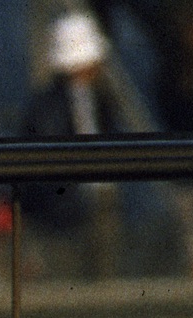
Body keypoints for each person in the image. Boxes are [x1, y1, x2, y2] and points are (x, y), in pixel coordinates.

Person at [19, 12, 132, 280]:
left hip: (101, 202)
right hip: (65, 213)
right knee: (68, 278)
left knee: (105, 274)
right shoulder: (48, 106)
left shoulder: (100, 99)